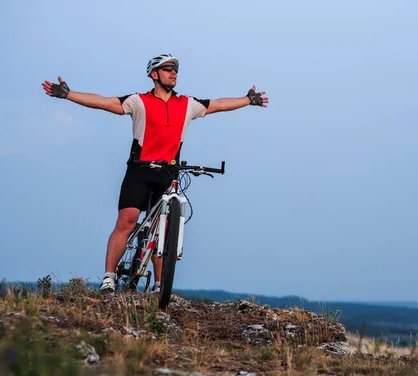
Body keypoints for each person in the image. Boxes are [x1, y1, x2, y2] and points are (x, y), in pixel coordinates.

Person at [42, 53, 268, 293]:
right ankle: (108, 277)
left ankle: (160, 285)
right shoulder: (138, 101)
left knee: (163, 231)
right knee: (126, 221)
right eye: (168, 69)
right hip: (139, 170)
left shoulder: (187, 104)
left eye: (176, 70)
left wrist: (248, 99)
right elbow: (103, 102)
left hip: (168, 173)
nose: (174, 73)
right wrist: (68, 94)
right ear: (154, 74)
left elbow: (219, 104)